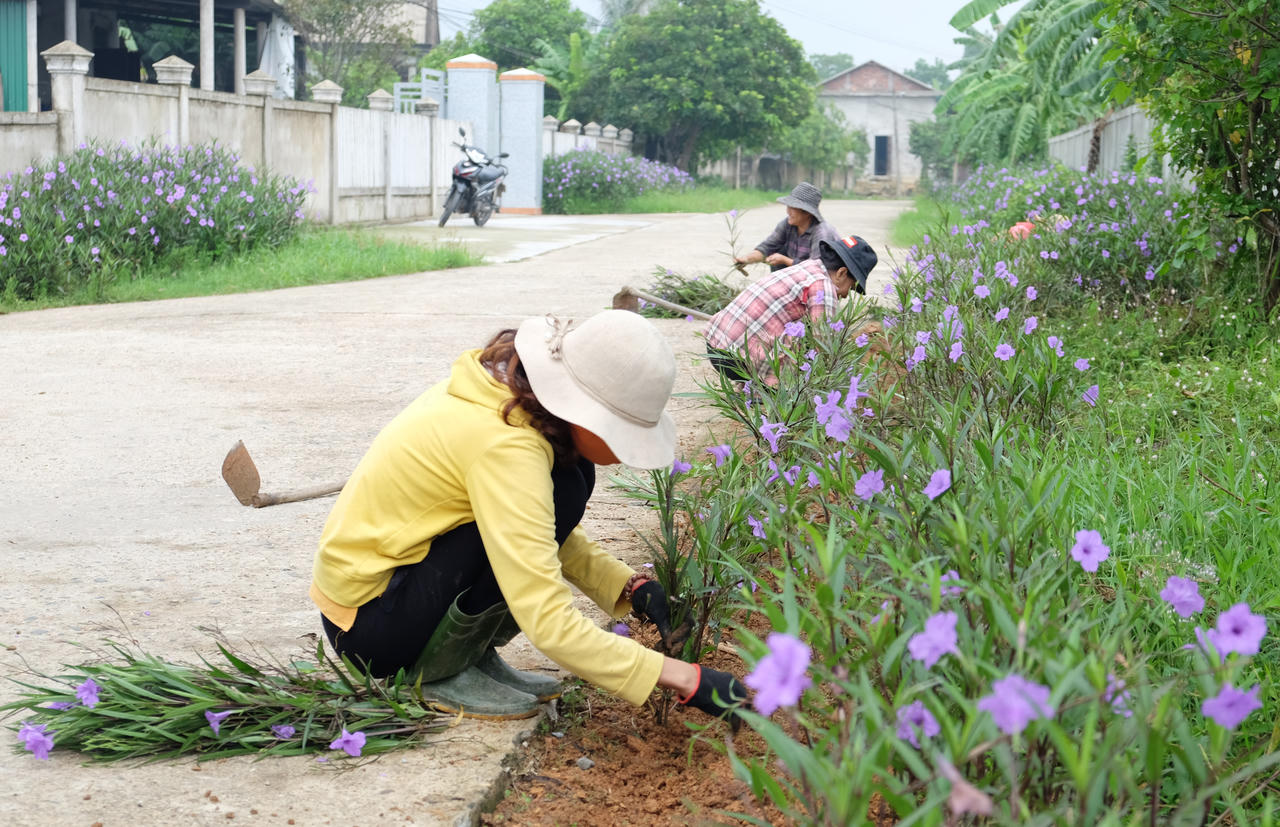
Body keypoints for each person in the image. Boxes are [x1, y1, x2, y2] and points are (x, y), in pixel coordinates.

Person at [310, 310, 747, 722]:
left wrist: (630, 587)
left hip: (395, 591)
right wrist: (685, 677)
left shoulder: (512, 404)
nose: (624, 452)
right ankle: (436, 670)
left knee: (568, 481)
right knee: (569, 484)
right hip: (371, 626)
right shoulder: (506, 447)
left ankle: (466, 655)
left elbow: (527, 526)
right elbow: (546, 615)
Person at [706, 234, 878, 382]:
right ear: (841, 273)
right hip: (736, 360)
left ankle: (752, 384)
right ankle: (763, 389)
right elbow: (823, 345)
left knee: (800, 332)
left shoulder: (808, 267)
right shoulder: (823, 287)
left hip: (717, 345)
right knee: (805, 352)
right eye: (852, 286)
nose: (847, 295)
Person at [734, 182, 843, 272]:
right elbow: (767, 247)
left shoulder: (821, 232)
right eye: (788, 206)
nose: (788, 211)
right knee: (778, 251)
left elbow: (817, 269)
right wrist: (746, 259)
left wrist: (786, 261)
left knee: (782, 258)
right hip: (800, 271)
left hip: (822, 277)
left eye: (793, 207)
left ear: (807, 212)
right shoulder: (788, 224)